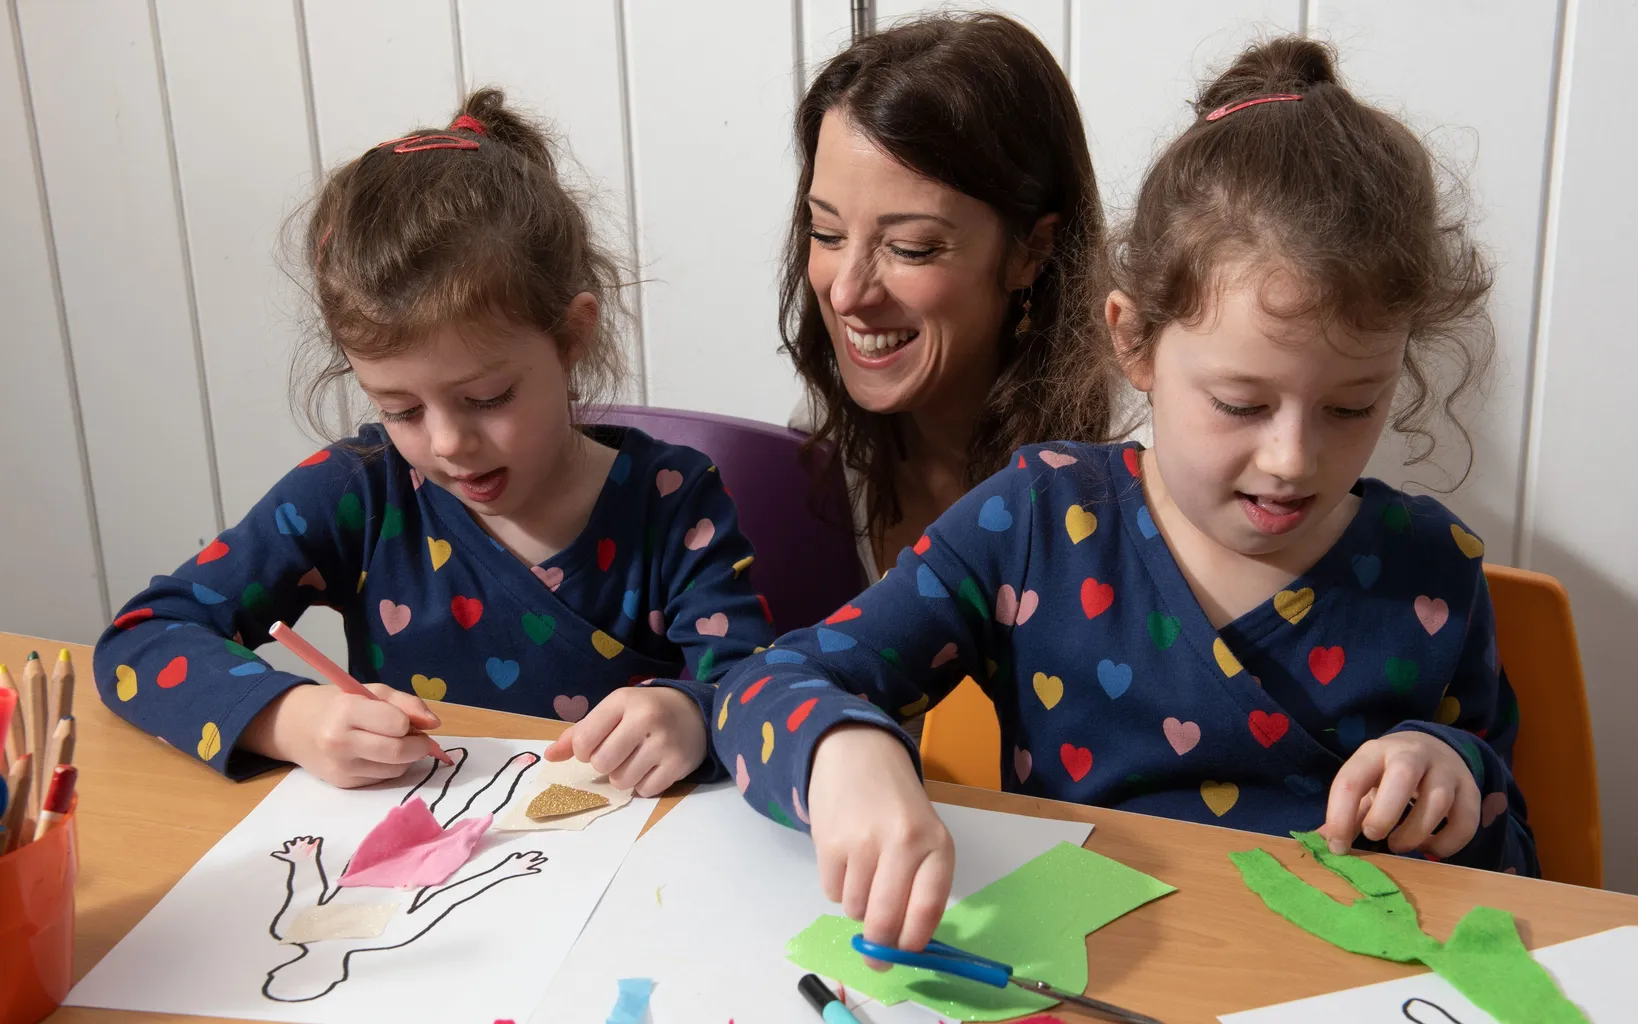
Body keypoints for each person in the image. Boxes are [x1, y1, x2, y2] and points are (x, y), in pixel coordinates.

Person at [715, 37, 1538, 956]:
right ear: (1135, 341)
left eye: (1353, 406)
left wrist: (1453, 778)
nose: (1292, 458)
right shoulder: (1037, 521)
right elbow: (764, 685)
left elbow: (1514, 860)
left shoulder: (1431, 569)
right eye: (1240, 403)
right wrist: (841, 752)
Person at [94, 89, 773, 795]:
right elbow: (142, 639)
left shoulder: (673, 502)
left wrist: (690, 714)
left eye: (488, 399)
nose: (449, 443)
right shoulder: (357, 492)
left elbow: (761, 696)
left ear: (573, 336)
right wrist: (290, 718)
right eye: (400, 408)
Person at [782, 12, 1120, 586]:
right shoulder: (822, 440)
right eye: (827, 234)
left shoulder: (1134, 464)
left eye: (910, 248)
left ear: (1031, 250)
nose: (845, 293)